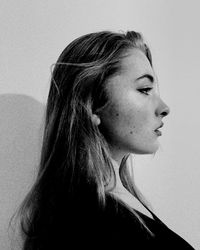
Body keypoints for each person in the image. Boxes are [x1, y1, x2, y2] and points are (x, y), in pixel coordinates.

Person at [15, 30, 195, 249]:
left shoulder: (116, 206)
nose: (164, 108)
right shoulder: (86, 222)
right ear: (91, 103)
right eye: (145, 89)